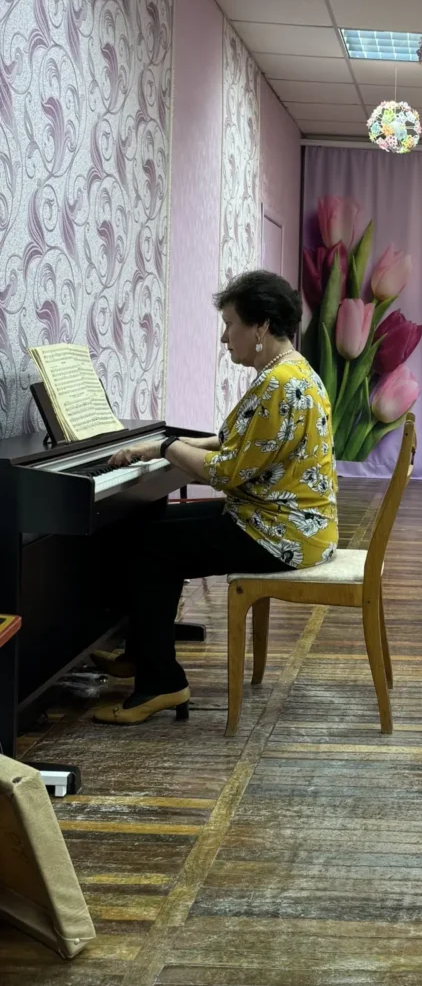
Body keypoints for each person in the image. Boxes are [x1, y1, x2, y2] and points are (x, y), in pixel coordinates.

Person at [91, 270, 338, 726]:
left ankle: (160, 682)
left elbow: (226, 472)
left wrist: (167, 447)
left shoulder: (279, 384)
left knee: (152, 547)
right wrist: (163, 445)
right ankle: (143, 654)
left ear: (261, 326)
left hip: (280, 535)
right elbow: (233, 440)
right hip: (288, 522)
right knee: (144, 526)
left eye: (230, 324)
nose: (225, 338)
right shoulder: (292, 371)